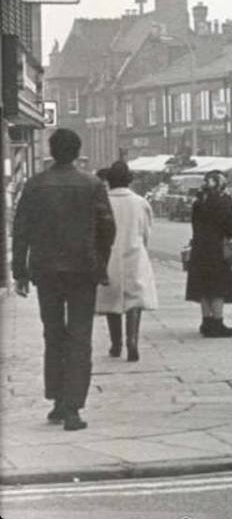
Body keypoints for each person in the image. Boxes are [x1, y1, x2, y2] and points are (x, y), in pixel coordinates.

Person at [12, 129, 116, 431]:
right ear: (77, 152)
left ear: (52, 151)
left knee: (53, 332)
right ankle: (73, 407)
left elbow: (21, 229)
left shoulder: (35, 185)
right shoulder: (92, 185)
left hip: (46, 269)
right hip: (82, 269)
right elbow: (107, 228)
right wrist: (101, 263)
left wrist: (20, 271)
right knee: (80, 336)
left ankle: (57, 399)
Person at [95, 161, 159, 362]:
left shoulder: (102, 202)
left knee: (112, 299)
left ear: (109, 180)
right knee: (135, 300)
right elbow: (146, 232)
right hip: (135, 253)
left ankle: (116, 344)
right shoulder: (140, 202)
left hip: (109, 256)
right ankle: (132, 341)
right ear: (129, 180)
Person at [185, 170, 232, 337]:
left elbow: (195, 225)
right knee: (218, 287)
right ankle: (218, 323)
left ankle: (206, 322)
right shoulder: (223, 202)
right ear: (220, 184)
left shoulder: (198, 202)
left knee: (204, 287)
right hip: (217, 250)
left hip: (199, 248)